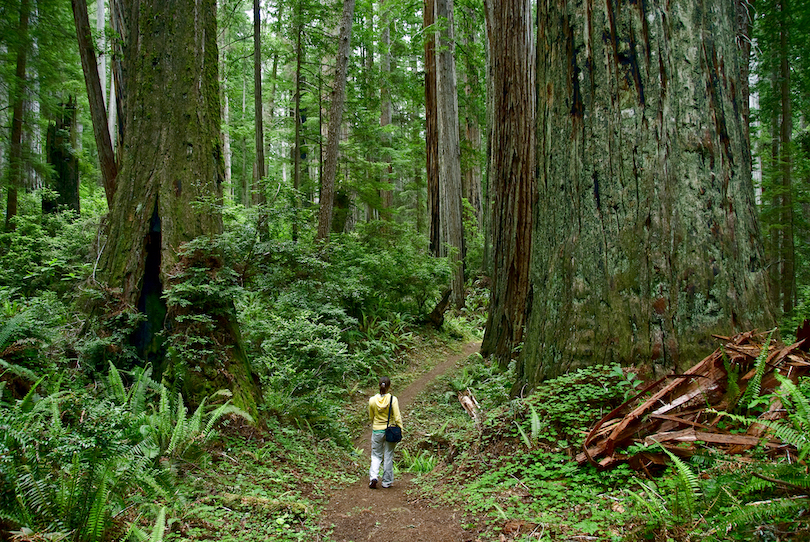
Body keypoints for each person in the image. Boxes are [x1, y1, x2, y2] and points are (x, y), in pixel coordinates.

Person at [368, 376, 403, 489]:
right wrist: (400, 428)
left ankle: (373, 476)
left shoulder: (372, 400)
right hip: (390, 431)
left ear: (379, 386)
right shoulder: (393, 399)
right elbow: (397, 416)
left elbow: (371, 416)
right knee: (388, 455)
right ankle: (386, 482)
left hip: (377, 430)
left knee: (376, 455)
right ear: (389, 386)